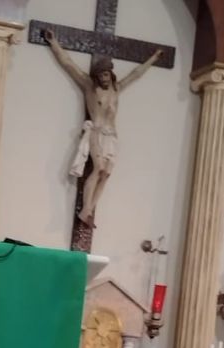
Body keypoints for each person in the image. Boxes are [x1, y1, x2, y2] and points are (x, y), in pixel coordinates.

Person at [44, 29, 162, 227]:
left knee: (106, 173)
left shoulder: (117, 89)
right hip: (97, 133)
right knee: (97, 168)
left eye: (106, 74)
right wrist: (53, 42)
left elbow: (136, 74)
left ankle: (89, 211)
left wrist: (155, 57)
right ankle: (85, 210)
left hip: (112, 136)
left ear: (111, 74)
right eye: (100, 75)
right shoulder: (90, 87)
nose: (103, 78)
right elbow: (69, 64)